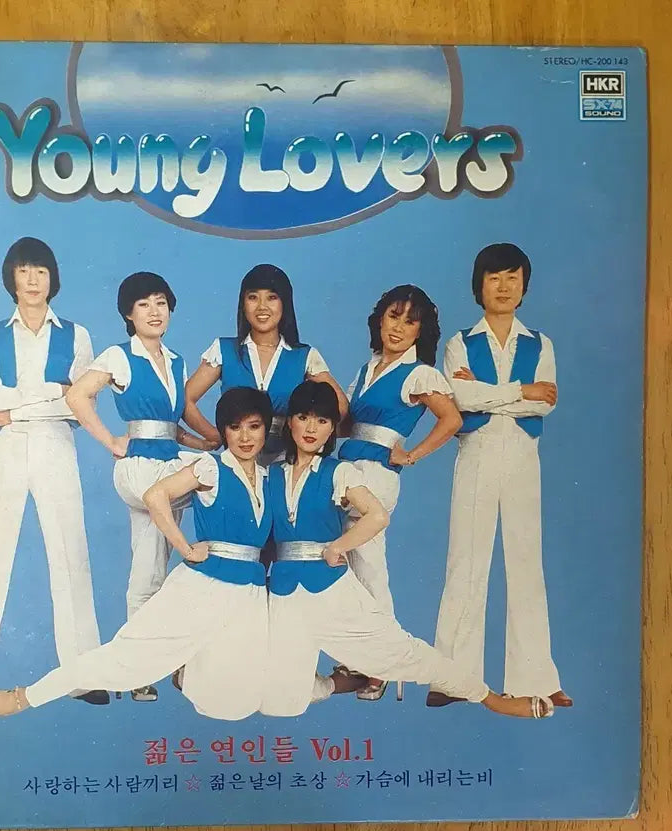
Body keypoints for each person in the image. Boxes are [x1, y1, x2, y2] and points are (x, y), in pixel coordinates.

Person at [0, 388, 327, 721]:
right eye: (235, 428)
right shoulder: (210, 468)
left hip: (248, 595)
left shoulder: (270, 479)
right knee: (126, 658)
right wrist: (185, 548)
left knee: (234, 706)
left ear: (266, 429)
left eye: (254, 427)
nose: (245, 437)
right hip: (203, 586)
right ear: (224, 431)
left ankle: (185, 671)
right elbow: (155, 496)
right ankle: (23, 697)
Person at [260, 381, 555, 721]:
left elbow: (377, 516)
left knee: (402, 652)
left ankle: (489, 697)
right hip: (284, 594)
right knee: (282, 694)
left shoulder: (339, 471)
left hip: (331, 590)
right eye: (303, 417)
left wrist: (338, 546)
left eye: (322, 421)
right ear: (290, 422)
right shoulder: (271, 475)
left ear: (332, 429)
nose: (312, 428)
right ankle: (342, 682)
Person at [0, 237, 106, 708]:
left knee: (71, 554)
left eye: (41, 271)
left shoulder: (77, 335)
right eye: (25, 270)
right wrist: (52, 394)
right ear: (11, 277)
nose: (32, 280)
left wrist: (22, 408)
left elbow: (78, 403)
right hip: (5, 448)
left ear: (53, 279)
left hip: (55, 445)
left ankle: (84, 676)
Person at [429, 243, 572, 709]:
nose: (504, 286)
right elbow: (460, 399)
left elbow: (544, 403)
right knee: (465, 563)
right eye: (494, 278)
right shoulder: (460, 343)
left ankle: (536, 677)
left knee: (526, 564)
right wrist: (519, 391)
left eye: (513, 277)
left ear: (524, 286)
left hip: (523, 459)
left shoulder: (540, 344)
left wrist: (489, 393)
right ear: (479, 286)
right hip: (476, 456)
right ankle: (452, 678)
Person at [64, 271, 212, 702]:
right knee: (151, 570)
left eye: (161, 302)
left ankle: (152, 660)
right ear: (128, 313)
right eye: (144, 304)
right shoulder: (119, 355)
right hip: (141, 469)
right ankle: (139, 666)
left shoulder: (176, 360)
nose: (154, 311)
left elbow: (173, 424)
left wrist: (207, 442)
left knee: (152, 563)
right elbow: (76, 396)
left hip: (169, 460)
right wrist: (111, 441)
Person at [336, 285, 461, 700]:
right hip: (346, 469)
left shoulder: (419, 373)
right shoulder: (367, 369)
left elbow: (451, 419)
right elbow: (345, 423)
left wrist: (411, 455)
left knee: (369, 567)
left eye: (410, 321)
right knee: (347, 570)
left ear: (420, 331)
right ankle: (362, 657)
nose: (398, 327)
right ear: (380, 319)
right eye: (393, 316)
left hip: (375, 475)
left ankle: (384, 663)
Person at [184, 263, 348, 467]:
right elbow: (185, 399)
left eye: (272, 297)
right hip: (237, 462)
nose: (262, 306)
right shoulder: (224, 350)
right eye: (253, 297)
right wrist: (216, 435)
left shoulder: (304, 356)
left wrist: (307, 438)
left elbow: (340, 407)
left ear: (285, 303)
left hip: (287, 463)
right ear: (243, 304)